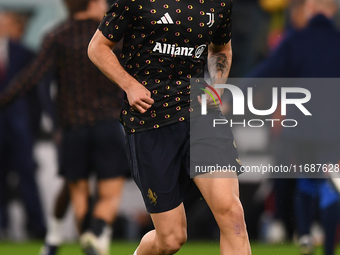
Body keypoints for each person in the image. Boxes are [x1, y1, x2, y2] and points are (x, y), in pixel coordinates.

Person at [88, 1, 252, 255]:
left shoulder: (219, 4)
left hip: (201, 113)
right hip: (149, 120)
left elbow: (222, 49)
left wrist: (217, 88)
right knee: (172, 239)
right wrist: (129, 85)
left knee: (232, 216)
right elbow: (97, 48)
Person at [0, 1, 129, 255]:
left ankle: (82, 242)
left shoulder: (57, 36)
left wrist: (3, 99)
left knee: (77, 194)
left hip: (73, 128)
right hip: (107, 125)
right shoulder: (114, 37)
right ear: (93, 4)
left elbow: (31, 77)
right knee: (109, 194)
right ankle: (97, 239)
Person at [249, 0, 340, 254]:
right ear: (333, 10)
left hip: (301, 129)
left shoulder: (295, 41)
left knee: (305, 180)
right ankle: (330, 249)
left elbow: (265, 72)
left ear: (309, 10)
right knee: (332, 186)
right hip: (334, 131)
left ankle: (305, 236)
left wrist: (229, 94)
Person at [0, 10, 46, 240]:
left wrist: (33, 127)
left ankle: (36, 227)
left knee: (27, 177)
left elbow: (35, 96)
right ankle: (2, 227)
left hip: (21, 130)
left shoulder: (26, 54)